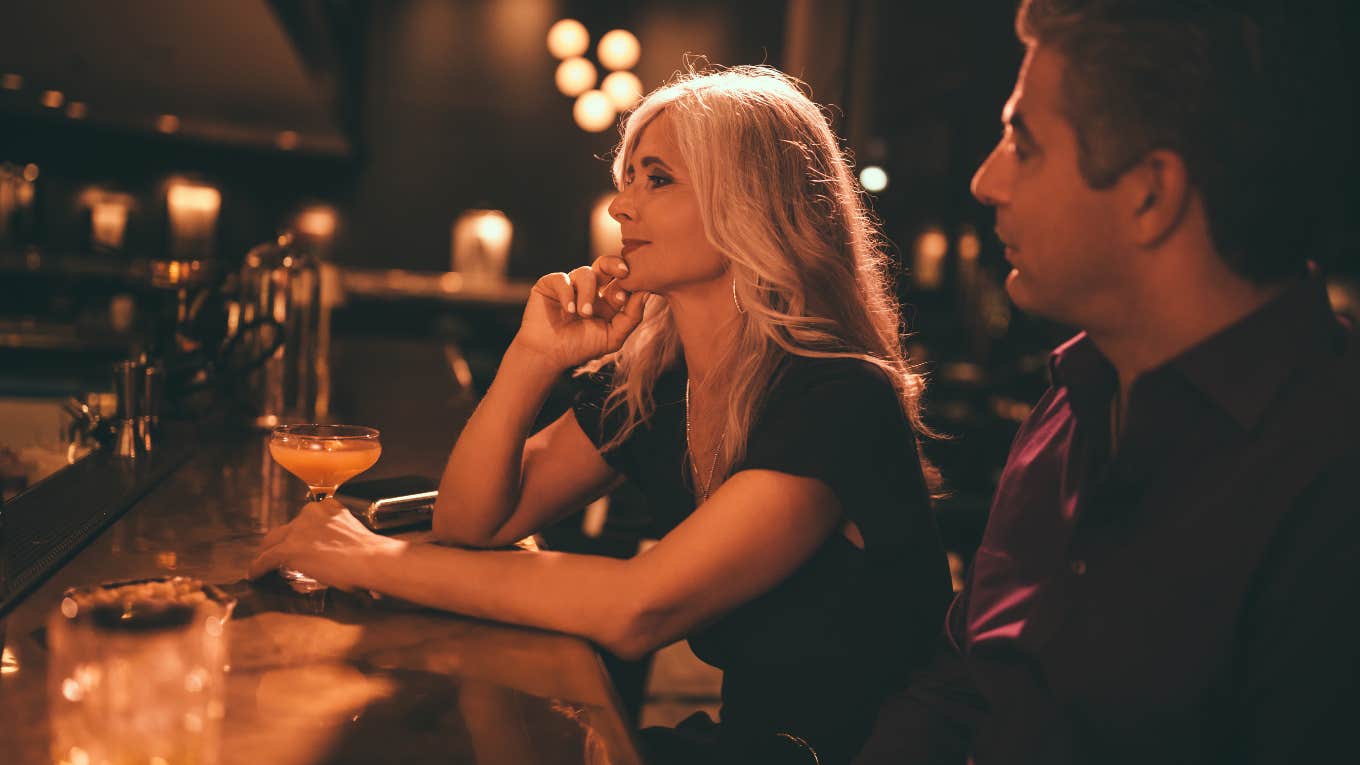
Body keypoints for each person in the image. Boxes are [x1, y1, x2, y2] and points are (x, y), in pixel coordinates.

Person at [252, 65, 953, 765]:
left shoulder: (838, 393)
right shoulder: (656, 381)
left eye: (657, 178)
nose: (621, 207)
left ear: (750, 203)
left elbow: (635, 609)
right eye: (627, 178)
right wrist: (532, 357)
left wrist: (367, 556)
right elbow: (474, 523)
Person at [854, 1, 1359, 763]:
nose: (985, 181)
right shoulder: (1075, 392)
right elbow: (967, 681)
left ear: (1149, 194)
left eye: (1023, 144)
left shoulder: (1330, 477)